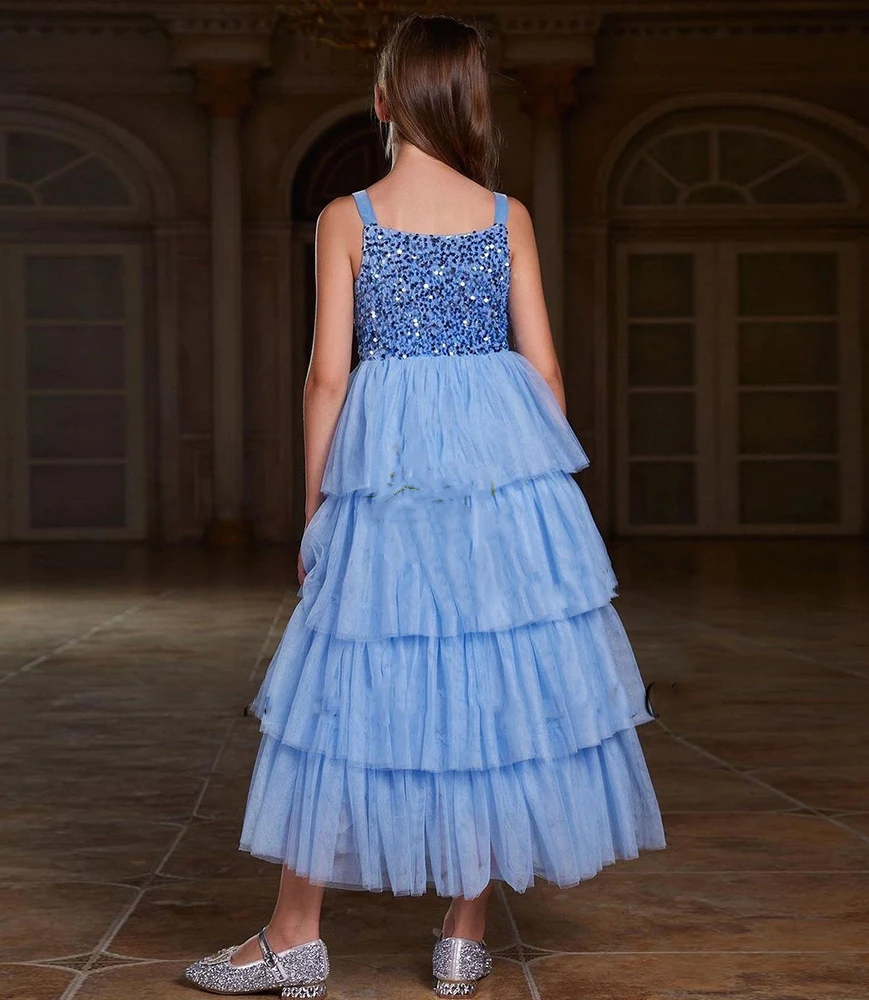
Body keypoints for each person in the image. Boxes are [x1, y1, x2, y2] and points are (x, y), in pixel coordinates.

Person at [183, 13, 665, 998]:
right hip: (493, 480)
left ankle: (294, 934)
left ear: (382, 102)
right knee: (487, 689)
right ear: (472, 105)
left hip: (387, 479)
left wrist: (319, 509)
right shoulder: (507, 218)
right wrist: (528, 492)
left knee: (338, 697)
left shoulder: (346, 217)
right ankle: (460, 936)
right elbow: (545, 376)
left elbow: (327, 378)